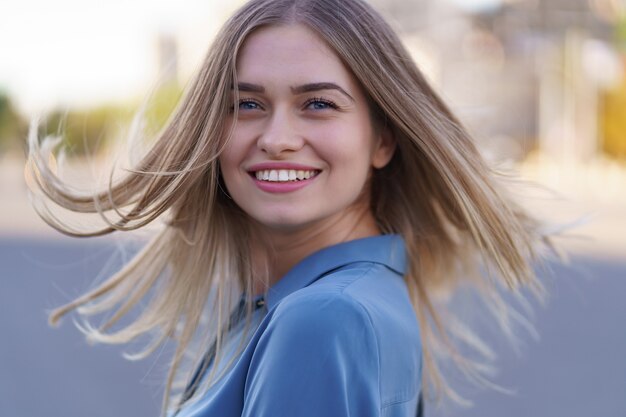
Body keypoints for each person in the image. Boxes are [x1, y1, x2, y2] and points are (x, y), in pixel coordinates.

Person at [25, 0, 565, 416]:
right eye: (248, 105)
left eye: (318, 104)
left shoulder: (323, 319)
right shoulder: (318, 302)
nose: (278, 138)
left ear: (384, 139)